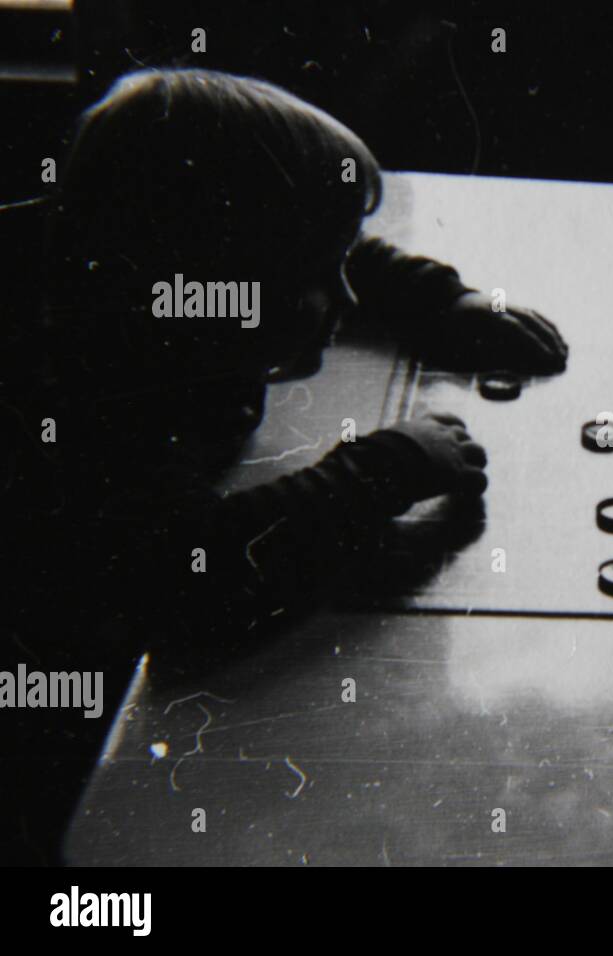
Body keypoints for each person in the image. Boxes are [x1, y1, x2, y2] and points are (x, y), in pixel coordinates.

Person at [0, 69, 566, 862]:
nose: (341, 294)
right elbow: (189, 573)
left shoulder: (155, 271)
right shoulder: (93, 398)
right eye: (313, 281)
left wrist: (440, 301)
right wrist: (385, 466)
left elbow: (334, 248)